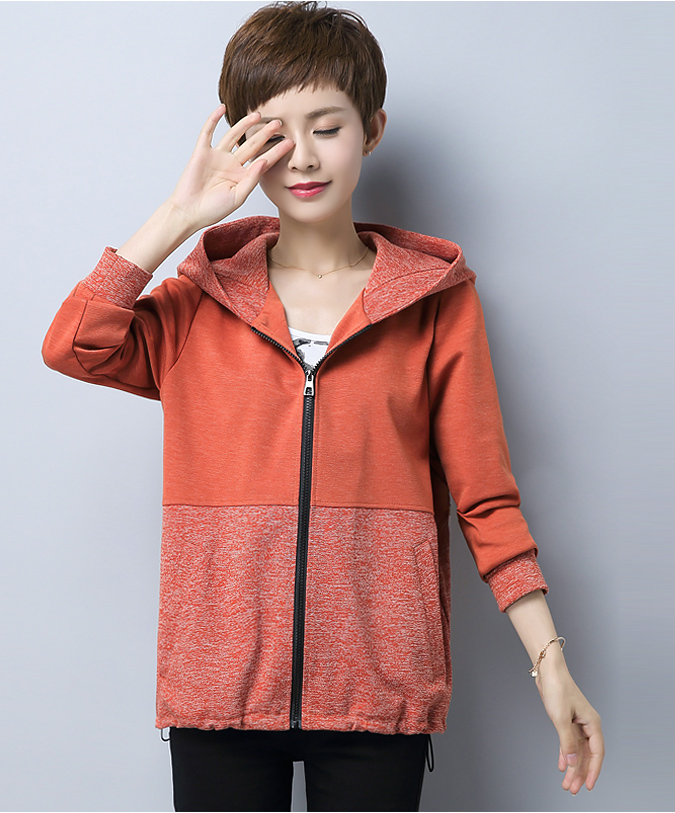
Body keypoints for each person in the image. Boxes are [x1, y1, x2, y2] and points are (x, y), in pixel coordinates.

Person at [42, 2, 604, 810]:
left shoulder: (436, 304)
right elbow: (73, 344)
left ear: (372, 130)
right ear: (242, 142)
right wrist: (179, 217)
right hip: (219, 692)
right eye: (274, 132)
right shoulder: (197, 305)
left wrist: (551, 664)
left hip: (380, 691)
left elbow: (486, 500)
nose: (302, 157)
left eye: (328, 127)